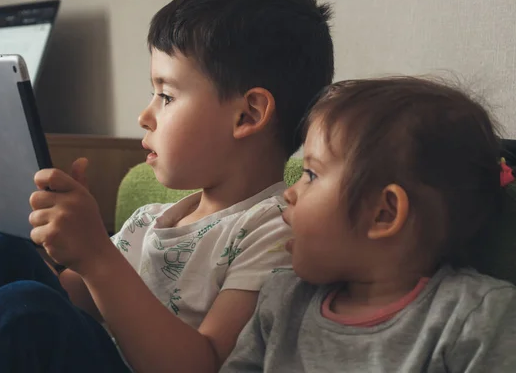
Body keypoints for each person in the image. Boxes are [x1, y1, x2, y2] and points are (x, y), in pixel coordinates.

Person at [0, 0, 334, 372]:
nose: (144, 115)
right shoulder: (146, 222)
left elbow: (204, 365)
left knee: (25, 309)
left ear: (248, 114)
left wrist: (97, 255)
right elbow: (61, 302)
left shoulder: (273, 232)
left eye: (166, 95)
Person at [220, 77, 516, 372]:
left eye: (311, 174)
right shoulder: (283, 300)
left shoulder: (474, 318)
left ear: (383, 214)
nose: (290, 192)